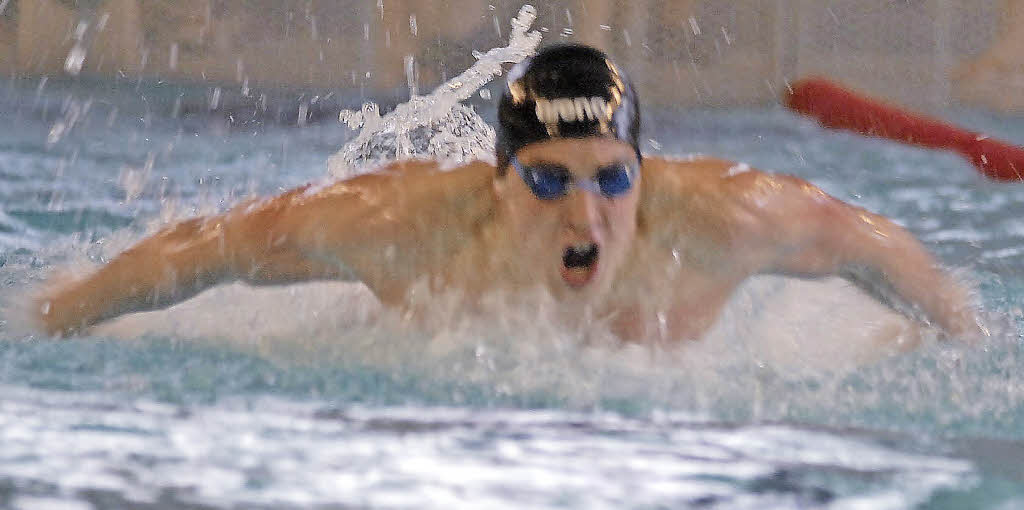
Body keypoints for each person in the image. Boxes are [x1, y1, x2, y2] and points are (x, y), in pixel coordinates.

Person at [33, 44, 981, 343]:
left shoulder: (724, 220)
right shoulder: (408, 227)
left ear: (643, 174)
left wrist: (959, 344)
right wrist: (47, 326)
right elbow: (211, 247)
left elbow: (874, 245)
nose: (585, 212)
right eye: (548, 182)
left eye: (612, 178)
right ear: (498, 183)